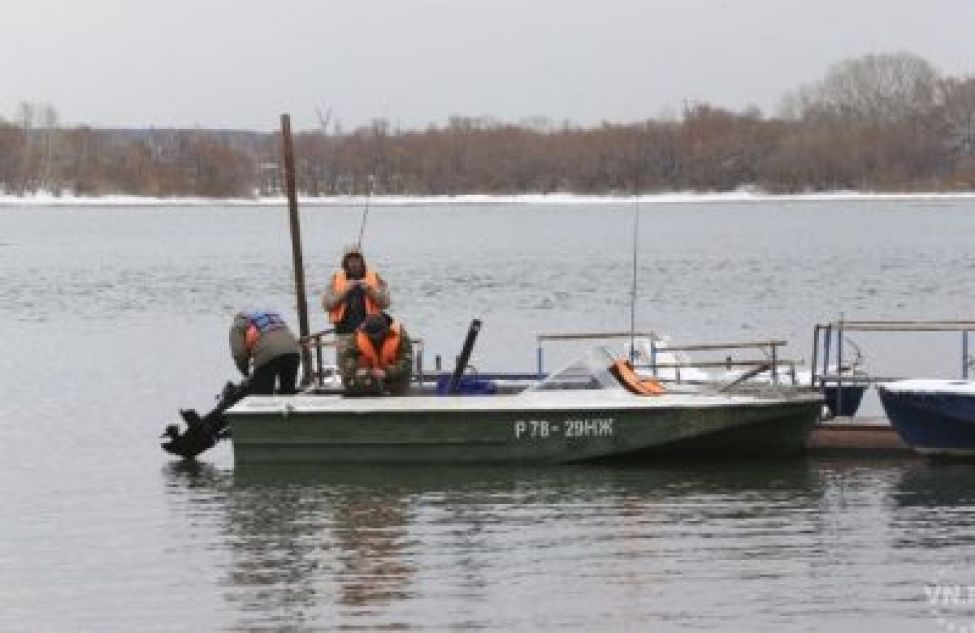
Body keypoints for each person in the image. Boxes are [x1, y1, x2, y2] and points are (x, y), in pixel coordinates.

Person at [163, 310, 302, 459]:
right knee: (287, 394)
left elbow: (239, 353)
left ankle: (267, 439)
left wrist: (246, 373)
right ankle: (289, 433)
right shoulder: (271, 317)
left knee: (262, 398)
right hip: (293, 351)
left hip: (267, 354)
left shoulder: (237, 326)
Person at [322, 244, 391, 360]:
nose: (354, 263)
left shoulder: (374, 277)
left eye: (357, 260)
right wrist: (345, 291)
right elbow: (327, 304)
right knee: (346, 369)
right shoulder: (335, 279)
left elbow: (386, 303)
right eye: (350, 260)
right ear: (345, 262)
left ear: (362, 261)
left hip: (371, 333)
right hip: (344, 334)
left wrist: (369, 290)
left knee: (369, 367)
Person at [339, 313, 413, 396]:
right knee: (352, 381)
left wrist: (386, 372)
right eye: (371, 335)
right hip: (368, 377)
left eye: (378, 335)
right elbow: (347, 357)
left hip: (394, 378)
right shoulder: (357, 336)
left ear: (386, 329)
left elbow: (406, 362)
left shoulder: (401, 336)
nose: (375, 338)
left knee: (402, 378)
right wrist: (356, 369)